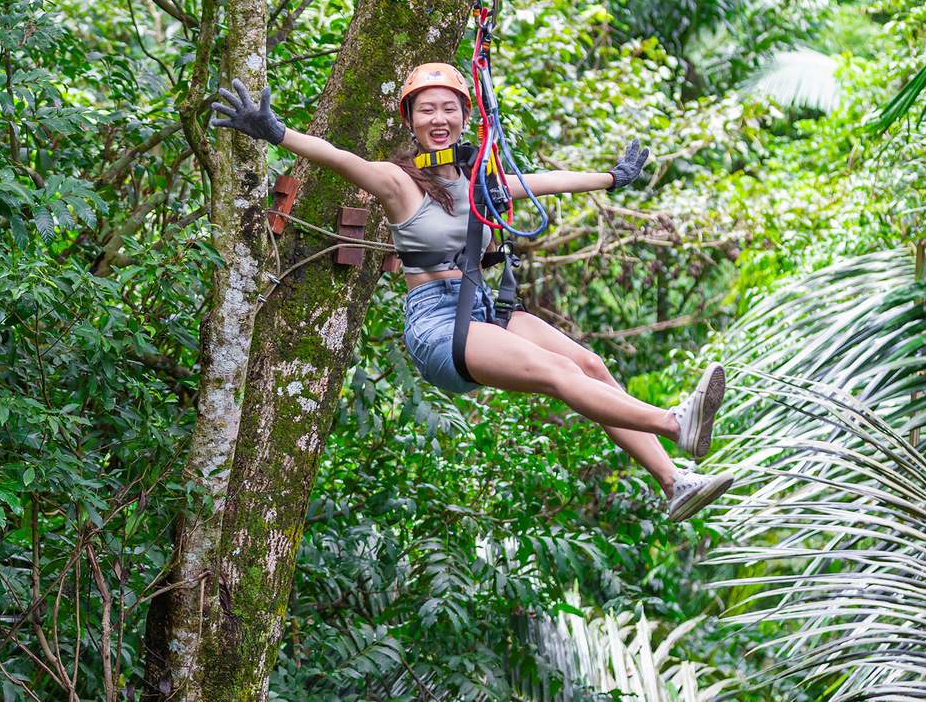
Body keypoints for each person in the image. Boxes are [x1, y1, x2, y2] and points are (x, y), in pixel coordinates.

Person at [210, 65, 733, 520]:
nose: (439, 120)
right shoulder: (400, 183)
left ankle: (673, 482)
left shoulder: (480, 177)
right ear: (410, 122)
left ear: (464, 116)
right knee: (560, 374)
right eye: (426, 111)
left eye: (449, 110)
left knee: (590, 365)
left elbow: (540, 181)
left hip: (483, 310)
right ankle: (672, 423)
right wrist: (277, 133)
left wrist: (612, 179)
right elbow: (343, 160)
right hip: (440, 326)